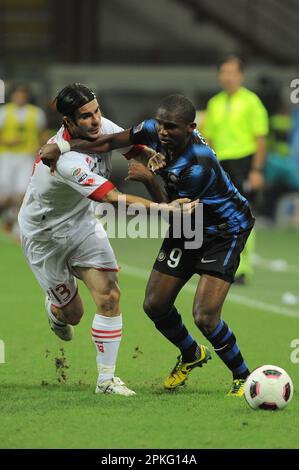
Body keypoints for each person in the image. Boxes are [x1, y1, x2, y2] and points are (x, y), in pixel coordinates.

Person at [41, 93, 255, 397]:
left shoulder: (198, 166)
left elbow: (172, 207)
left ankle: (243, 377)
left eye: (172, 128)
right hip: (188, 225)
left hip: (223, 230)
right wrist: (61, 146)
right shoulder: (153, 129)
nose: (163, 132)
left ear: (191, 128)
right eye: (162, 125)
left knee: (205, 316)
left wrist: (148, 177)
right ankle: (192, 354)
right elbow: (108, 142)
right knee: (155, 304)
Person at [19, 84, 192, 397]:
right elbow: (113, 198)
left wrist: (156, 159)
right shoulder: (65, 162)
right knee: (73, 314)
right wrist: (165, 208)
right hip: (44, 236)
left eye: (96, 111)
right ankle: (56, 309)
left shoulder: (102, 127)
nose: (96, 120)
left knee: (110, 294)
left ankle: (107, 381)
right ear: (68, 123)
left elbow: (133, 148)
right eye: (86, 116)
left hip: (81, 223)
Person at [203, 56, 269, 284]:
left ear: (241, 75)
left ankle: (243, 268)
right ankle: (221, 261)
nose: (227, 77)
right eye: (224, 72)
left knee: (242, 214)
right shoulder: (214, 103)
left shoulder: (252, 102)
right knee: (219, 213)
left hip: (243, 162)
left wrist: (257, 169)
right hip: (220, 165)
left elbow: (260, 138)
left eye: (232, 72)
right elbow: (208, 139)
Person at [0, 84, 47, 237]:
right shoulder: (4, 112)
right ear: (12, 96)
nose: (20, 98)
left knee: (22, 192)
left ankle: (17, 227)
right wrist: (7, 142)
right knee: (6, 196)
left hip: (26, 157)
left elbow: (42, 135)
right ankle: (8, 214)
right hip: (6, 156)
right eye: (17, 95)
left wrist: (41, 147)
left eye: (23, 95)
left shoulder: (37, 113)